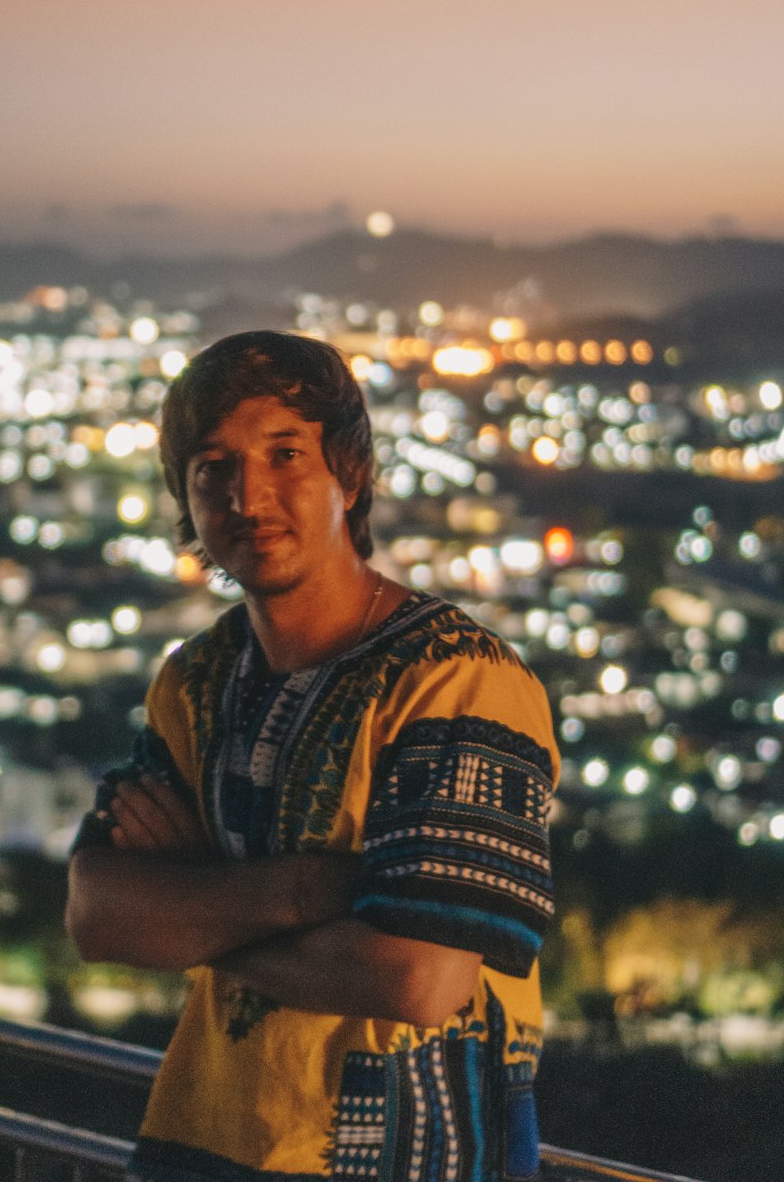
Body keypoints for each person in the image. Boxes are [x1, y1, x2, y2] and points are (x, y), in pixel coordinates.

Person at [66, 330, 560, 1182]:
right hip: (205, 1139)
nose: (247, 494)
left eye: (284, 453)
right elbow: (96, 914)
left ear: (349, 474)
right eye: (212, 467)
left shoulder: (458, 681)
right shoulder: (197, 681)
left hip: (415, 1156)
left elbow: (417, 979)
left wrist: (192, 909)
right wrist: (306, 891)